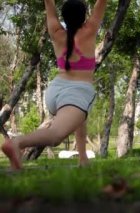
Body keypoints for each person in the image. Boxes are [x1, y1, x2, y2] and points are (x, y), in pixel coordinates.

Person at [1, 0, 107, 170]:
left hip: (55, 91)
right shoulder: (90, 30)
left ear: (64, 17)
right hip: (77, 92)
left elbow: (49, 5)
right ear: (84, 16)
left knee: (80, 117)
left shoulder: (56, 32)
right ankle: (17, 143)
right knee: (56, 136)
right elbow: (101, 3)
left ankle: (82, 158)